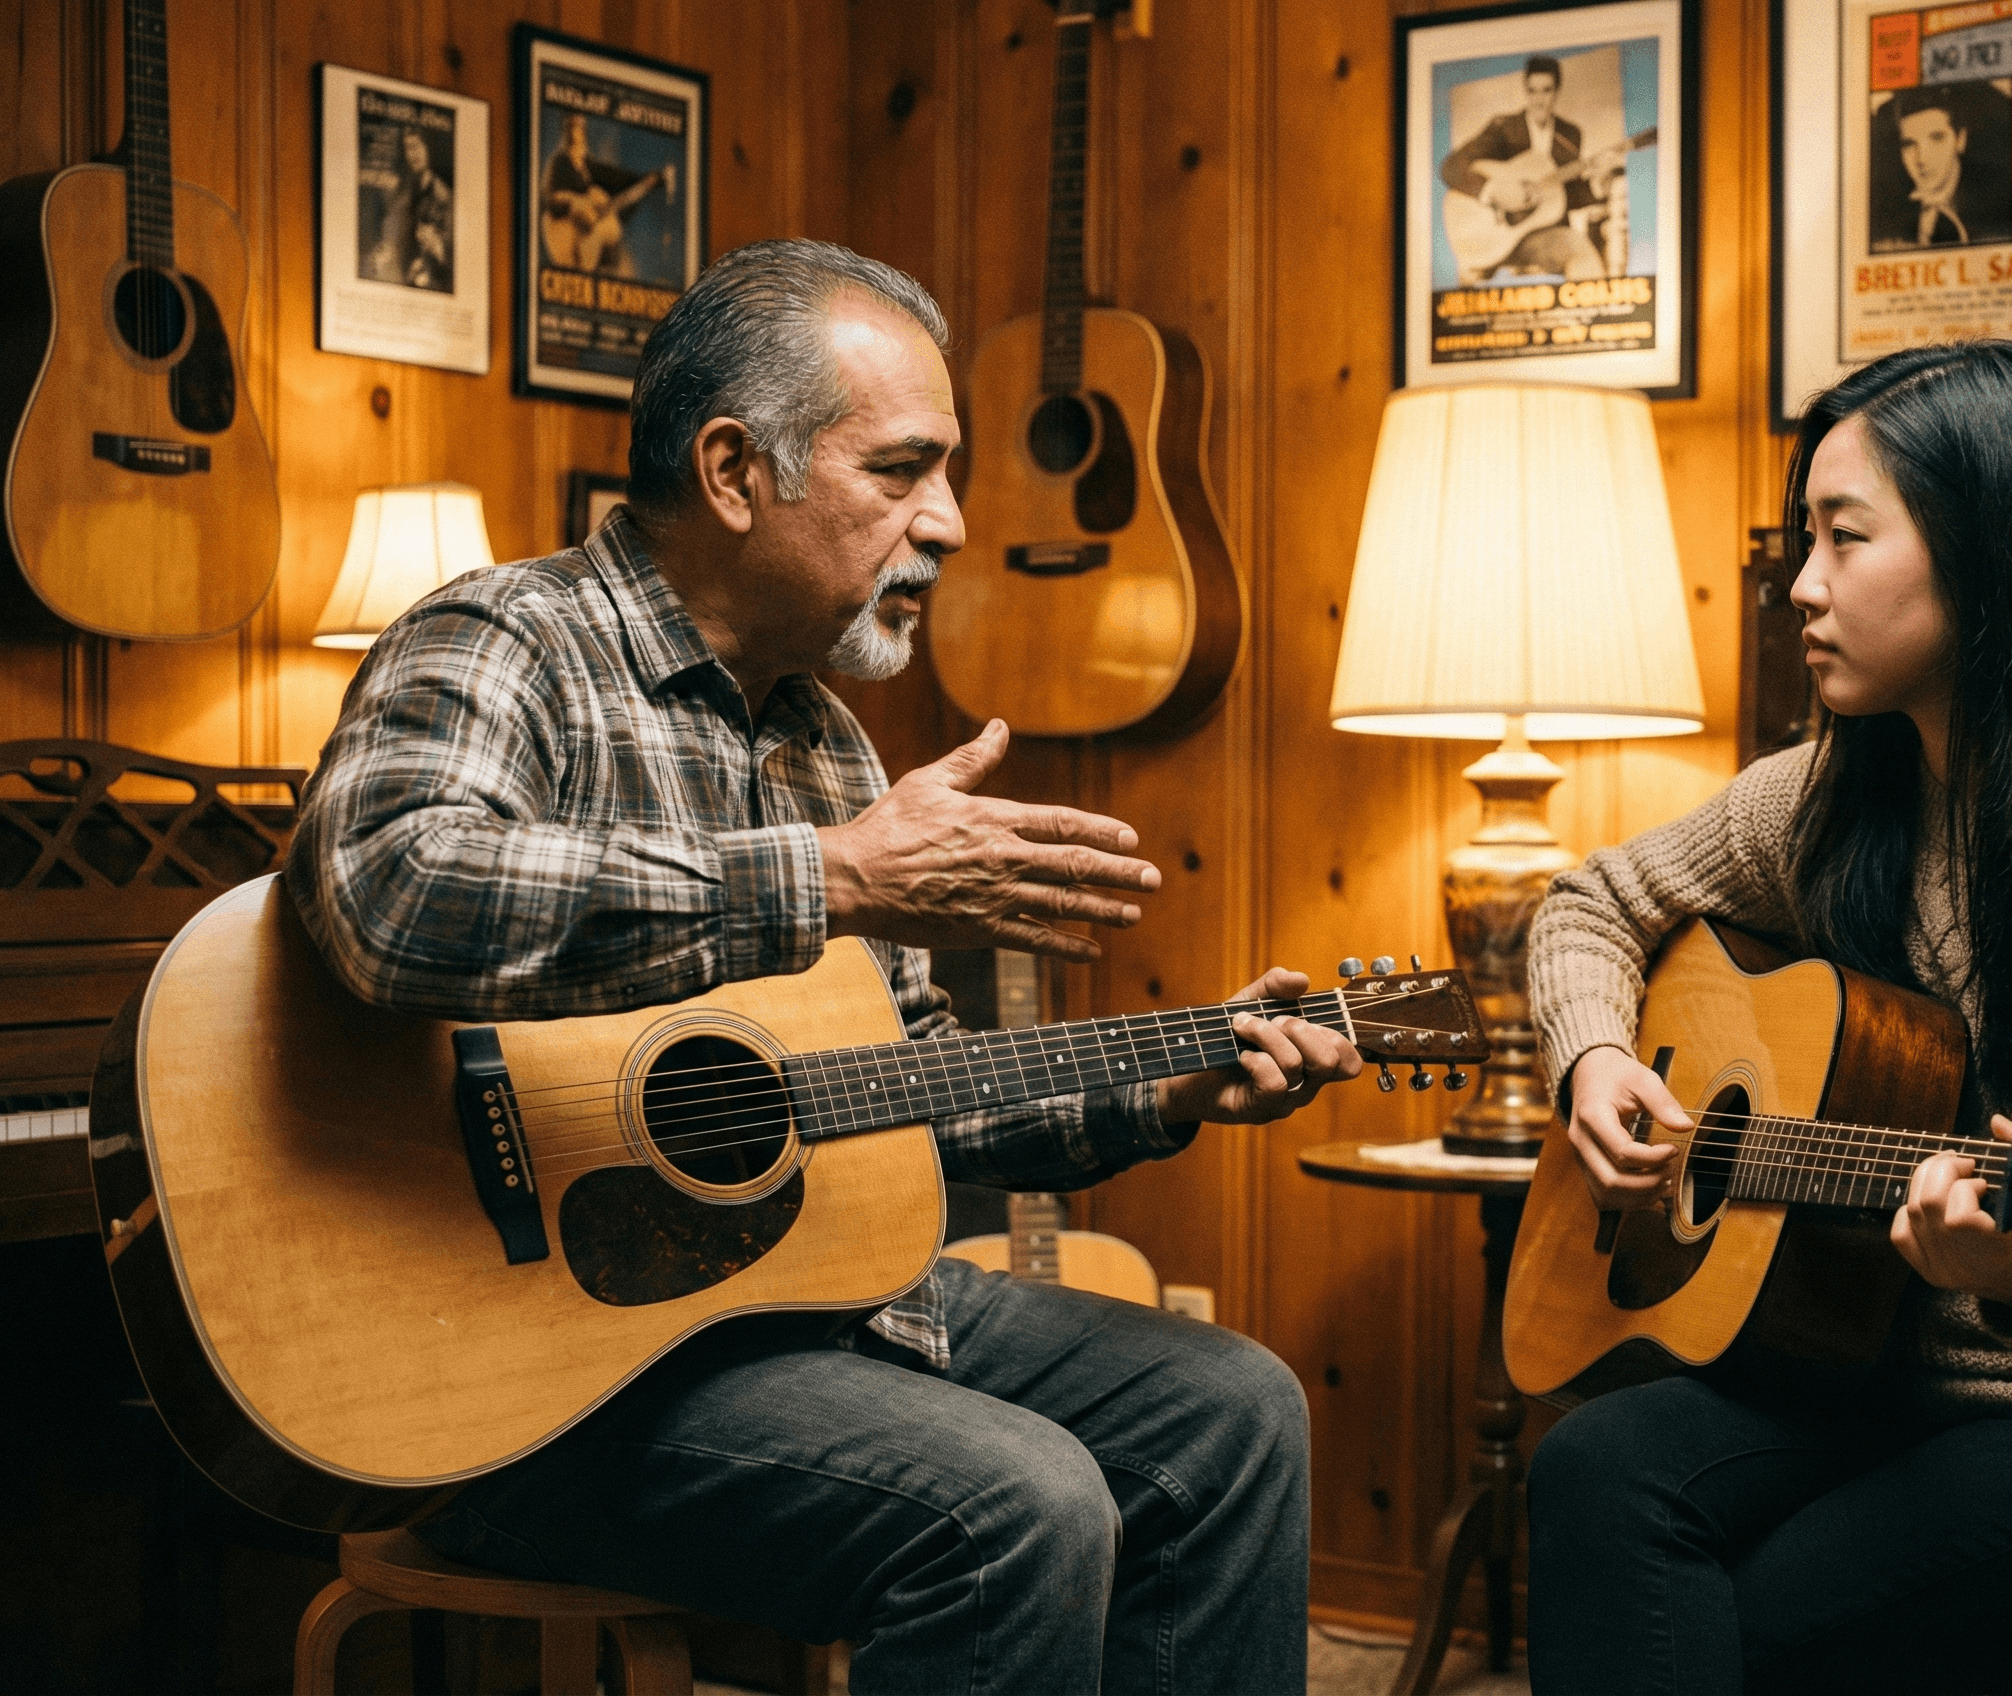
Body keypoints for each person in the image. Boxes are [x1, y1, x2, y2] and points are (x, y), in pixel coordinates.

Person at [284, 239, 1360, 1694]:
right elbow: (387, 895)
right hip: (527, 1378)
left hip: (790, 1315)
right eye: (903, 470)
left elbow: (905, 1094)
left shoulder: (819, 735)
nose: (955, 523)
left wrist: (1165, 1085)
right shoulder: (506, 639)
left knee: (1233, 1408)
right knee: (1014, 1501)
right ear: (736, 472)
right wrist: (835, 874)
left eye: (952, 474)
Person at [1519, 340, 2012, 1694]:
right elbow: (1588, 904)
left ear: (1991, 551)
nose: (1802, 585)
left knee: (1765, 1623)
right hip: (1879, 1375)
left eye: (1846, 538)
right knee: (1595, 1467)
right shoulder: (1840, 789)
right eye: (1804, 539)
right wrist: (1598, 1054)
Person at [1438, 55, 1610, 279]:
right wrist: (1494, 190)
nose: (1539, 99)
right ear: (1525, 91)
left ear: (1557, 91)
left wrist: (1597, 187)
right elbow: (1451, 166)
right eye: (1532, 91)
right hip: (1493, 235)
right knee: (1466, 275)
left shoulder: (1569, 135)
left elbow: (1563, 196)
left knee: (1582, 252)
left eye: (1546, 90)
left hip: (1545, 235)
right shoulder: (1504, 128)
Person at [1869, 84, 2012, 249]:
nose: (1921, 159)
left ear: (1960, 139)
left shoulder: (2000, 207)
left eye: (1937, 138)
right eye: (1909, 144)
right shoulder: (1885, 211)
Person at [540, 111, 663, 274]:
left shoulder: (588, 165)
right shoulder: (559, 162)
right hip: (565, 234)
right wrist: (576, 207)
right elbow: (553, 201)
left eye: (581, 134)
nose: (579, 145)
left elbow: (615, 177)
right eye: (574, 131)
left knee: (612, 228)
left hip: (590, 243)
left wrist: (645, 181)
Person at [361, 126, 452, 293]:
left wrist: (436, 247)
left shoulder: (442, 196)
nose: (413, 153)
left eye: (417, 145)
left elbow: (449, 255)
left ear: (428, 148)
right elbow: (392, 235)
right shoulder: (403, 191)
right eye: (408, 148)